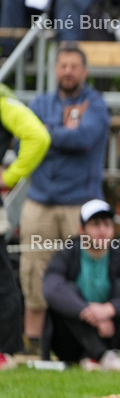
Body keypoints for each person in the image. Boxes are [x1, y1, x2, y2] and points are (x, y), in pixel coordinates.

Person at [20, 42, 108, 357]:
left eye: (74, 66)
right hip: (39, 203)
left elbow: (83, 138)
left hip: (79, 205)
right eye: (63, 65)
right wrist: (62, 131)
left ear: (84, 72)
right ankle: (32, 348)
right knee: (34, 271)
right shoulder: (41, 102)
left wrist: (47, 134)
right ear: (55, 70)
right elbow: (25, 138)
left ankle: (87, 349)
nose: (68, 71)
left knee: (82, 274)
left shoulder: (95, 104)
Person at [41, 199, 120, 371]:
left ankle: (100, 356)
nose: (102, 230)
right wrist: (87, 311)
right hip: (72, 343)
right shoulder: (68, 253)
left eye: (107, 224)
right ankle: (102, 356)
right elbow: (51, 288)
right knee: (67, 294)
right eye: (95, 224)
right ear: (81, 230)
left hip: (111, 334)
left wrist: (109, 309)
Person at [0, 82, 49, 361]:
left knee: (3, 280)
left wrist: (9, 176)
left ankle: (5, 351)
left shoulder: (3, 100)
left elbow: (38, 137)